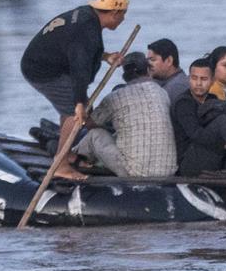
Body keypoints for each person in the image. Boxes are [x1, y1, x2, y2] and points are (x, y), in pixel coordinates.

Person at [19, 0, 129, 132]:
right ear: (115, 13)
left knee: (82, 112)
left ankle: (69, 140)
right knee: (75, 113)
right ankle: (64, 155)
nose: (123, 19)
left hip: (43, 63)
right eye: (123, 14)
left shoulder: (87, 15)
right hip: (42, 71)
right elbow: (80, 67)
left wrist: (106, 56)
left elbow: (76, 48)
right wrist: (79, 102)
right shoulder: (86, 29)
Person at [73, 52, 178, 180]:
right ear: (148, 70)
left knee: (96, 134)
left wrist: (83, 104)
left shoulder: (115, 97)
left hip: (136, 173)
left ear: (124, 76)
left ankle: (73, 157)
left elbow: (89, 124)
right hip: (168, 170)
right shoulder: (162, 92)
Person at [146, 38, 189, 104]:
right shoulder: (168, 81)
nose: (148, 64)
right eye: (147, 60)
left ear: (169, 61)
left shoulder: (177, 87)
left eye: (153, 60)